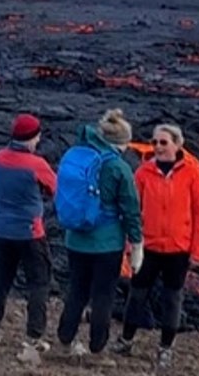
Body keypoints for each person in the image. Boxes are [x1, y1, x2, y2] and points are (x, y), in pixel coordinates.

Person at [112, 124, 199, 368]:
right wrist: (130, 243)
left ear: (178, 145)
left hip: (178, 249)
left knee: (172, 299)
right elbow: (132, 210)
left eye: (163, 142)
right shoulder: (144, 173)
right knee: (137, 295)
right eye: (155, 142)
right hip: (149, 246)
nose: (157, 146)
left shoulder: (191, 173)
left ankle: (166, 347)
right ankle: (126, 340)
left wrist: (197, 249)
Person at [55, 108, 143, 358]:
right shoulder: (118, 168)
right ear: (120, 142)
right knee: (103, 295)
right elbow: (131, 210)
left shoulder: (78, 155)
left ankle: (64, 341)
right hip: (107, 243)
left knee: (76, 291)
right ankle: (97, 349)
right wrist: (136, 245)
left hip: (75, 239)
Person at [0, 113, 56, 354]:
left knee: (0, 280)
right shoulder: (36, 164)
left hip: (2, 230)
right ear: (32, 137)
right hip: (30, 233)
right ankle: (33, 336)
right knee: (38, 283)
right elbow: (55, 189)